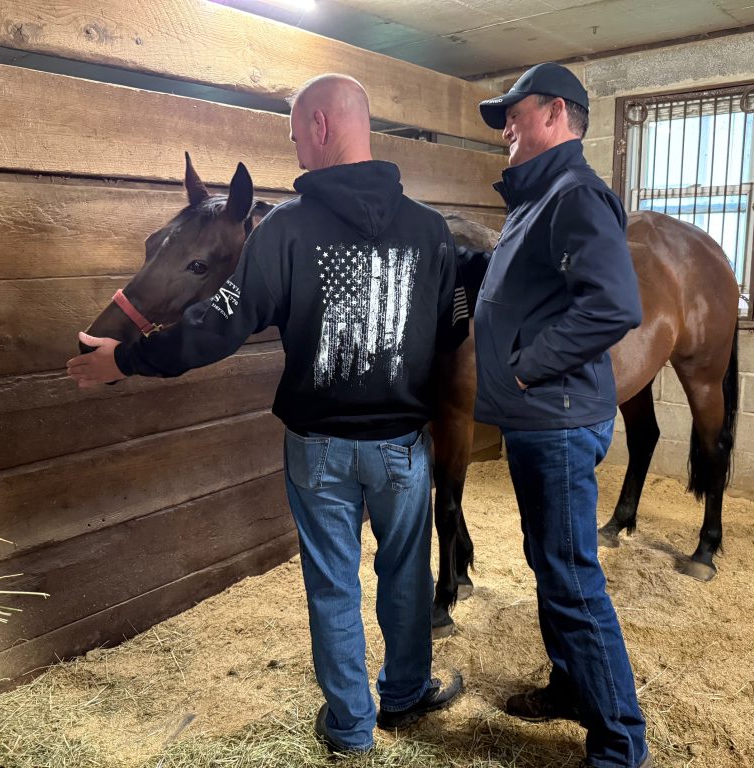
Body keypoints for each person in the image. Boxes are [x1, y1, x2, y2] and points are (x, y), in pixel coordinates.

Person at [67, 73, 465, 754]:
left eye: (295, 133)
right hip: (401, 444)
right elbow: (451, 329)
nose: (295, 148)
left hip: (319, 447)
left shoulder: (285, 228)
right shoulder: (430, 230)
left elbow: (220, 325)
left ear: (320, 125)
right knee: (406, 572)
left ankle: (350, 728)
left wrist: (126, 360)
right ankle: (404, 695)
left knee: (332, 585)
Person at [472, 62, 650, 768]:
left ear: (554, 114)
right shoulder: (538, 197)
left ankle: (621, 746)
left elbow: (614, 306)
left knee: (571, 577)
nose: (505, 129)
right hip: (538, 417)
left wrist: (525, 366)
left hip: (557, 417)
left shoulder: (574, 194)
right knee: (550, 563)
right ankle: (572, 686)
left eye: (514, 114)